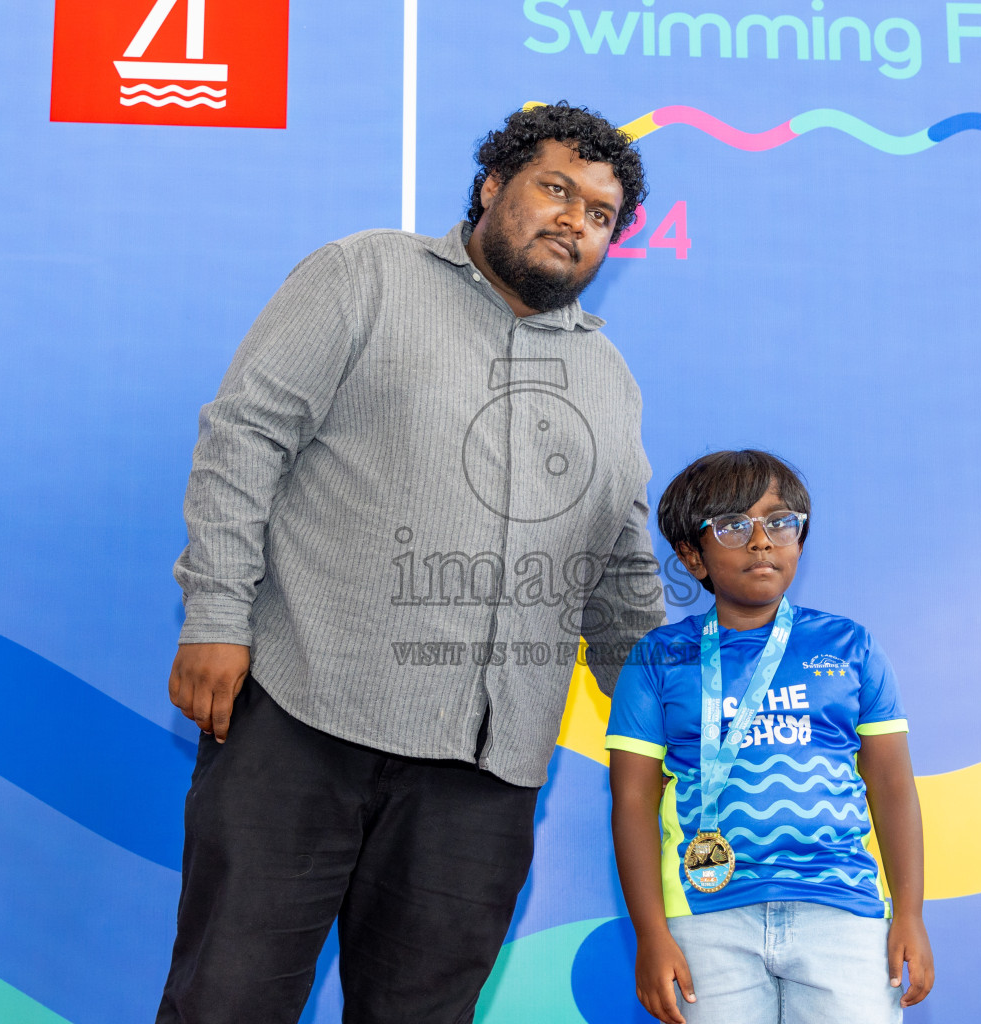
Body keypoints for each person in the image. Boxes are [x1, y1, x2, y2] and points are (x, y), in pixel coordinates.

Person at [156, 102, 666, 1024]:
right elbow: (244, 438)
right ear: (489, 187)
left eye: (599, 214)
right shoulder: (365, 277)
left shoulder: (611, 379)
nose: (574, 220)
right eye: (556, 188)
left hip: (486, 777)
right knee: (224, 1005)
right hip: (301, 722)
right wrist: (217, 616)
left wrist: (674, 726)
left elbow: (621, 577)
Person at [606, 450, 934, 1024]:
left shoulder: (850, 647)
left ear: (800, 541)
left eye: (780, 522)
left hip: (842, 910)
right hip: (704, 915)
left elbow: (892, 784)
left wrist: (909, 912)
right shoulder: (656, 659)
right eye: (734, 526)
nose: (762, 541)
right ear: (692, 556)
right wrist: (651, 934)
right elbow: (632, 801)